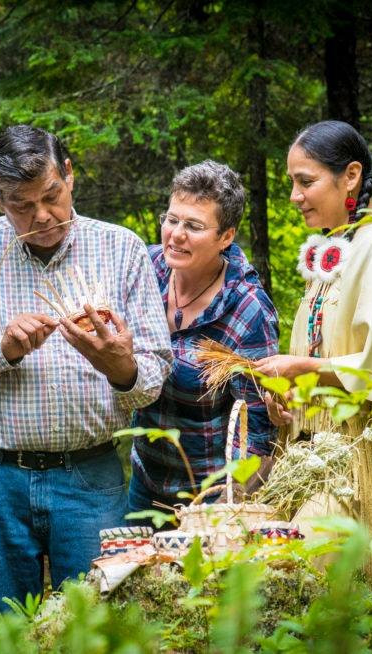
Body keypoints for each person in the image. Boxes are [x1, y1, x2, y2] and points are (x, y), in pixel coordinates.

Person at [0, 125, 172, 613]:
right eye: (22, 205)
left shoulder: (120, 249)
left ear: (69, 175)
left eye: (51, 196)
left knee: (98, 624)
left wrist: (121, 369)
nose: (42, 216)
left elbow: (155, 373)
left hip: (90, 476)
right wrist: (1, 351)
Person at [252, 120, 372, 587]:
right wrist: (290, 402)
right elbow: (326, 355)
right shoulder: (337, 247)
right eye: (292, 182)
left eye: (305, 181)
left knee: (299, 575)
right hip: (322, 460)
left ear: (350, 176)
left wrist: (303, 367)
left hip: (371, 464)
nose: (294, 196)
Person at [129, 161, 279, 519]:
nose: (176, 235)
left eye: (194, 226)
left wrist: (224, 508)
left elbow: (257, 429)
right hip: (145, 479)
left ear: (225, 237)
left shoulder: (248, 309)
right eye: (172, 220)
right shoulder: (146, 269)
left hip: (209, 496)